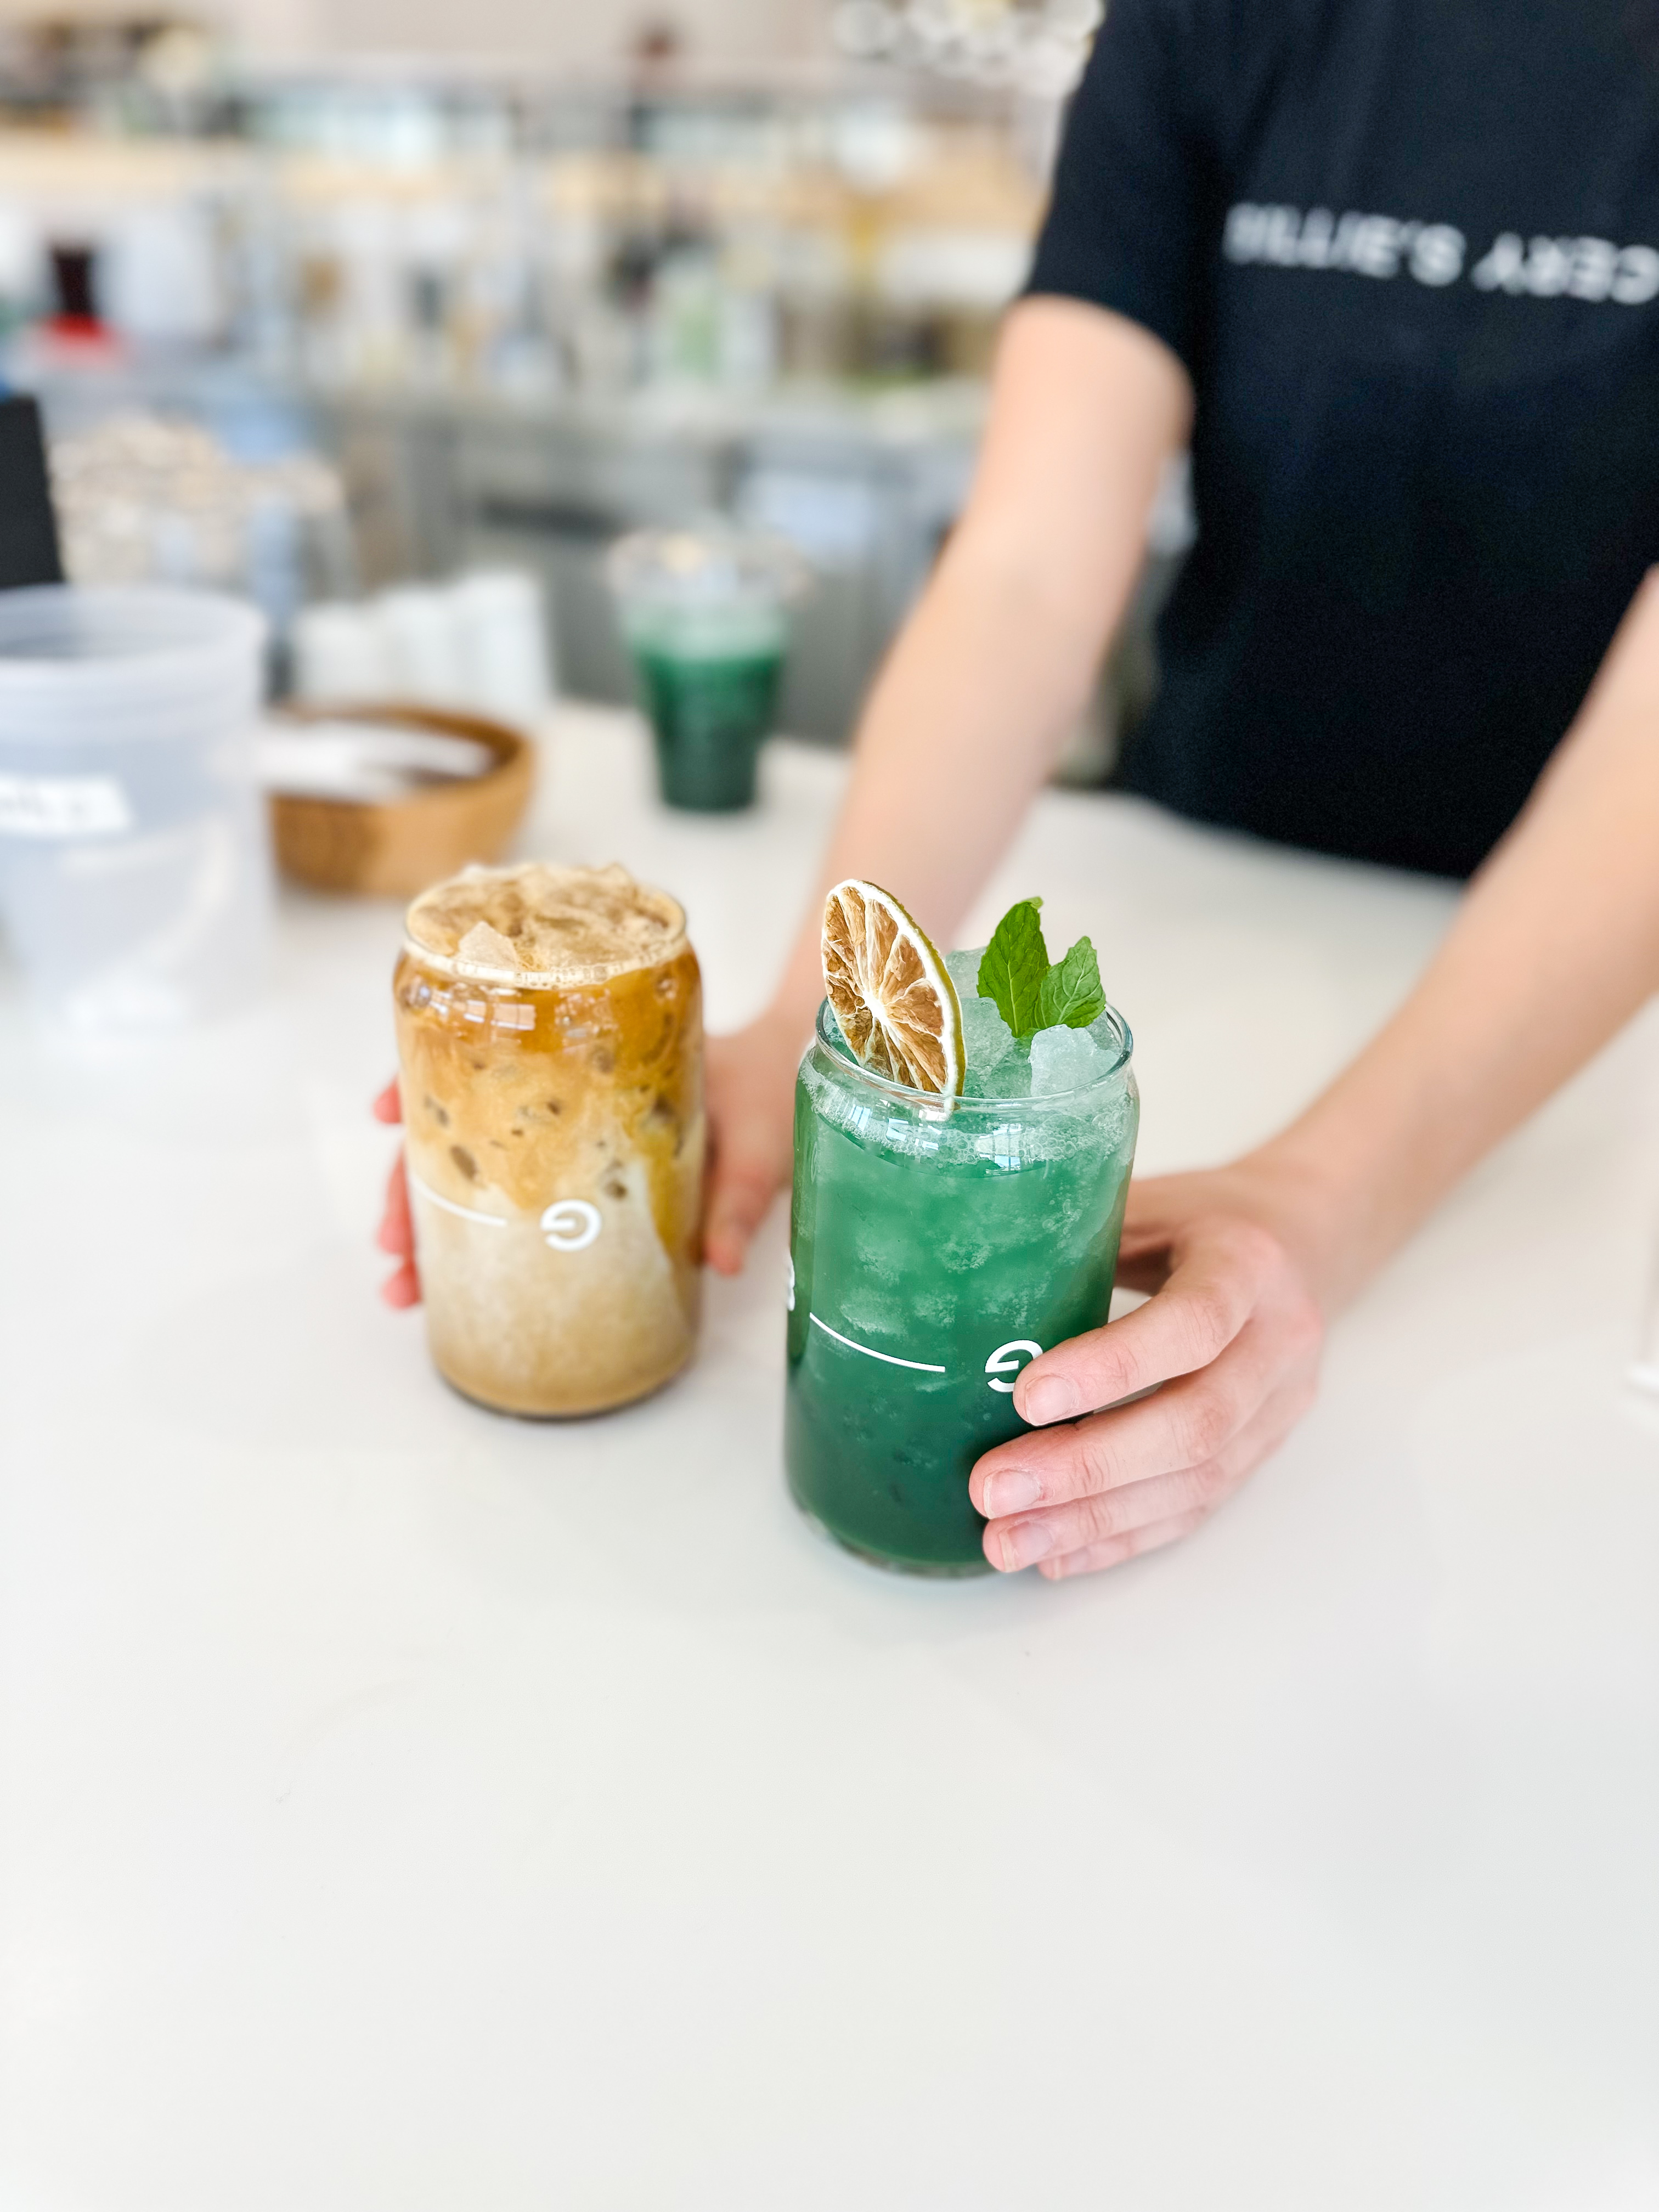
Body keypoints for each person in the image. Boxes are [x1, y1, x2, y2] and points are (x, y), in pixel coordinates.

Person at [381, 0, 1659, 1579]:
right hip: (1211, 838)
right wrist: (806, 1024)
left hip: (1580, 1001)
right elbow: (1032, 570)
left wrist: (1318, 1202)